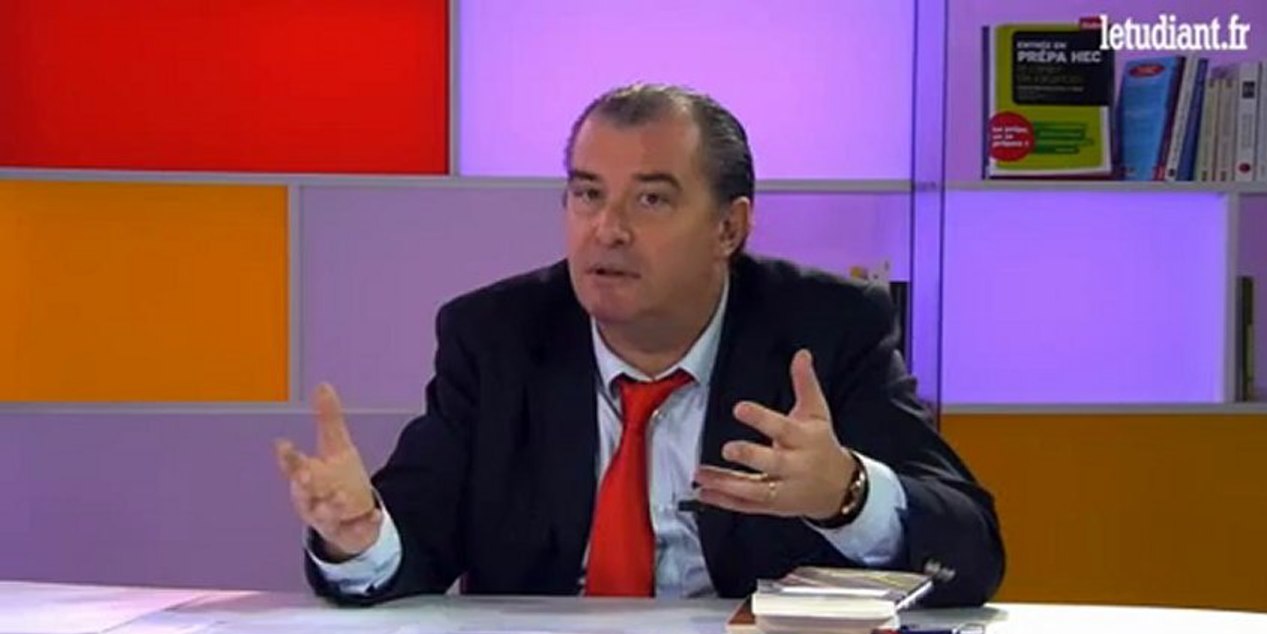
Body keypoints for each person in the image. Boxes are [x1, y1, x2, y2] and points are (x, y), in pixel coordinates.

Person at [274, 83, 1005, 607]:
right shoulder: (495, 337)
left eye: (650, 199)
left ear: (729, 228)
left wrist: (847, 495)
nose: (608, 229)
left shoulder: (826, 330)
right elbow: (414, 545)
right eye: (587, 194)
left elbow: (971, 555)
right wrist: (359, 535)